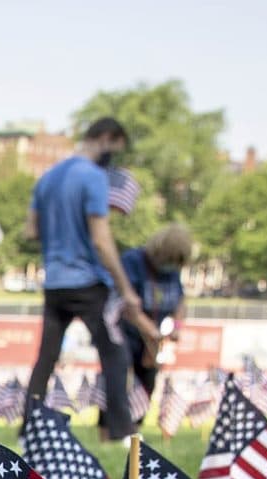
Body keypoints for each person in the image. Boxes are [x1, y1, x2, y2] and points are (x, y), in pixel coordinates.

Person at [22, 117, 159, 439]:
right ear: (106, 138)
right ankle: (122, 431)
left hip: (54, 282)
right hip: (88, 282)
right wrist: (127, 289)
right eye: (115, 148)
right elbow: (101, 239)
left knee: (46, 359)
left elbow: (30, 230)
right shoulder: (94, 178)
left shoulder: (47, 178)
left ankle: (28, 428)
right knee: (115, 354)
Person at [118, 224, 192, 408]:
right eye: (169, 259)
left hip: (151, 345)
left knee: (145, 392)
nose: (170, 265)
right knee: (119, 387)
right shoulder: (132, 262)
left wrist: (176, 327)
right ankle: (113, 434)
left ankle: (134, 435)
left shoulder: (172, 271)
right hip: (125, 336)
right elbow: (125, 302)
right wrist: (150, 329)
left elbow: (180, 301)